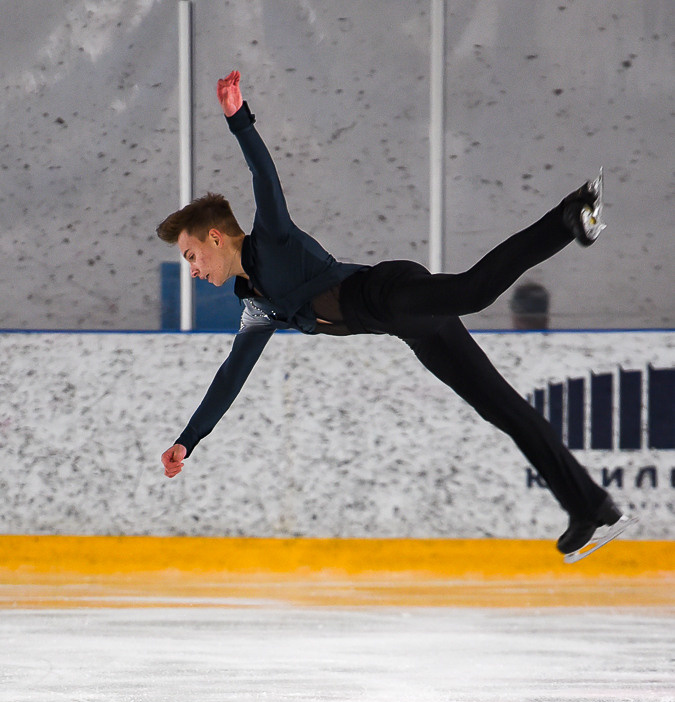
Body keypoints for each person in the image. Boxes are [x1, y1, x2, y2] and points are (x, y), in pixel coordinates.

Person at [157, 70, 635, 562]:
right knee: (505, 411)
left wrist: (239, 118)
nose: (192, 270)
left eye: (191, 256)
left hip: (388, 291)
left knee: (474, 291)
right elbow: (230, 376)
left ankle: (570, 215)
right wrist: (188, 441)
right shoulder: (255, 305)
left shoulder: (272, 239)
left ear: (215, 237)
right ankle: (591, 506)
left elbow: (264, 176)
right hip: (407, 327)